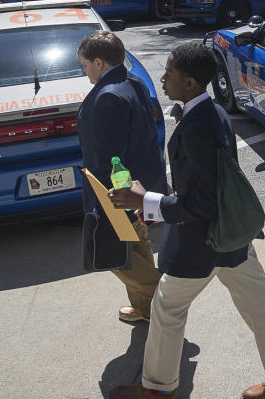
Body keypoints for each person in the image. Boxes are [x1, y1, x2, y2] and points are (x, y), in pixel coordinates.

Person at [109, 43, 265, 399]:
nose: (163, 77)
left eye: (169, 72)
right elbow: (205, 187)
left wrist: (147, 201)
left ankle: (156, 390)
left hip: (201, 244)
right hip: (233, 239)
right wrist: (156, 208)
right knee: (261, 307)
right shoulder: (213, 112)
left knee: (167, 310)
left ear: (190, 83)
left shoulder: (197, 126)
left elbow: (200, 203)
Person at [77, 31, 168, 323]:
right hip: (143, 186)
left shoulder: (106, 97)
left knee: (112, 256)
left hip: (119, 193)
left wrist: (103, 203)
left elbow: (108, 159)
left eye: (85, 64)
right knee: (138, 246)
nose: (85, 70)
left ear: (99, 62)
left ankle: (164, 300)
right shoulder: (134, 82)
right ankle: (145, 310)